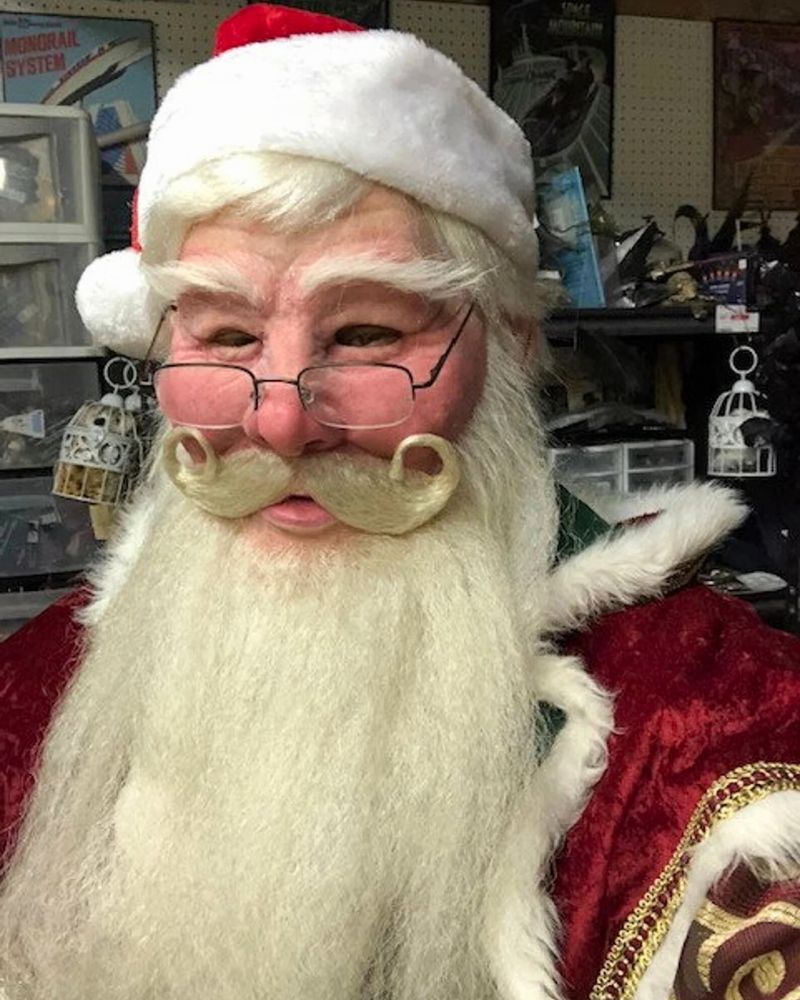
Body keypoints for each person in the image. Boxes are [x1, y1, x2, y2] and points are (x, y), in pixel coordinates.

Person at [1, 6, 799, 999]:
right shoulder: (42, 681)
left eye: (368, 333)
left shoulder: (712, 734)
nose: (281, 424)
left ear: (510, 344)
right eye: (227, 336)